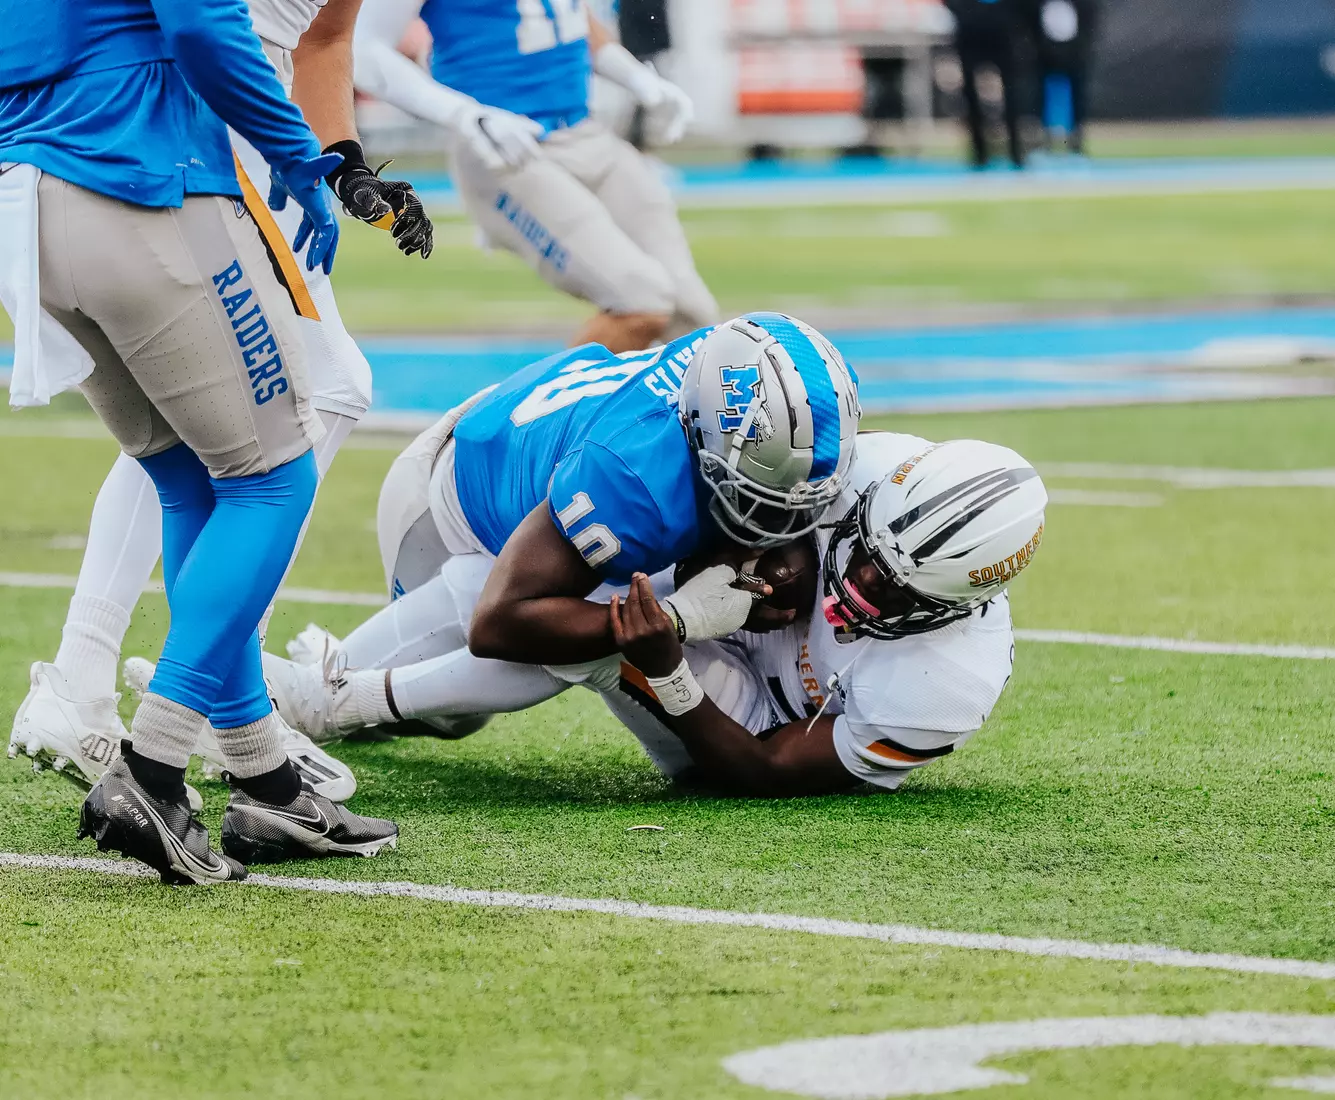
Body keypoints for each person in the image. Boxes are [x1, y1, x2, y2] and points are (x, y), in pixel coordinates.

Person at [0, 0, 398, 883]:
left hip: (26, 196)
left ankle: (264, 775)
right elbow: (201, 23)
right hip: (135, 177)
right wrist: (301, 158)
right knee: (271, 480)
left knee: (187, 481)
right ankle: (153, 766)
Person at [250, 314, 862, 740]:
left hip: (534, 447)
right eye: (766, 502)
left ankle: (326, 682)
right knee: (490, 689)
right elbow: (501, 623)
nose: (784, 524)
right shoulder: (636, 479)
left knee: (616, 604)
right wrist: (681, 619)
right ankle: (312, 694)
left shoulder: (749, 382)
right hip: (452, 510)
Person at [604, 435, 1047, 795]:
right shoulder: (863, 464)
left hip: (765, 720)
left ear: (952, 610)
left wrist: (668, 675)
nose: (864, 581)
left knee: (619, 634)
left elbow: (765, 768)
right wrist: (755, 553)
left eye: (896, 590)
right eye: (864, 547)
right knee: (606, 570)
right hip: (743, 598)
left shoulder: (947, 685)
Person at [353, 0, 717, 353]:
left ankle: (675, 416)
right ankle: (544, 414)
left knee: (694, 319)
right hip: (508, 150)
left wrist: (638, 79)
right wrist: (464, 114)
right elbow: (364, 48)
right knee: (641, 304)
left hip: (587, 132)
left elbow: (567, 16)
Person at [944, 0, 1027, 169]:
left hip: (1002, 31)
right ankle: (979, 152)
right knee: (970, 94)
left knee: (1011, 94)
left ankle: (1015, 151)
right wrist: (968, 14)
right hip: (970, 33)